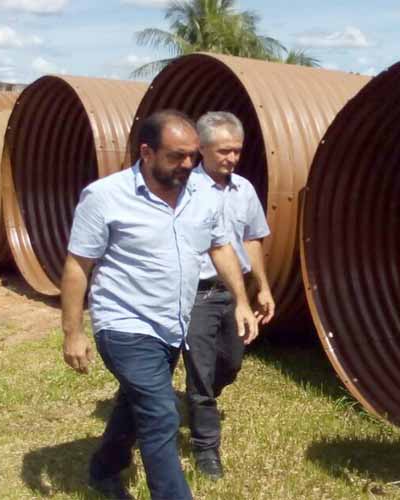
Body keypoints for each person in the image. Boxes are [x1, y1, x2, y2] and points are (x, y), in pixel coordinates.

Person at [60, 110, 258, 500]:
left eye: (193, 156)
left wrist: (241, 301)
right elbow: (77, 265)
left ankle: (103, 469)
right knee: (161, 412)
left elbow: (221, 247)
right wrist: (73, 332)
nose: (187, 165)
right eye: (176, 156)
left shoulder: (203, 195)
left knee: (136, 405)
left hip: (172, 324)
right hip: (124, 324)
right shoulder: (105, 196)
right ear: (147, 152)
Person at [182, 111, 274, 479]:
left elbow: (251, 239)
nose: (231, 158)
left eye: (236, 151)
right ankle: (206, 449)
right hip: (196, 295)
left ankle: (199, 402)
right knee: (201, 373)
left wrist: (262, 286)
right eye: (223, 151)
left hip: (233, 294)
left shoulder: (245, 189)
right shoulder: (184, 189)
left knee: (231, 363)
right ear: (201, 149)